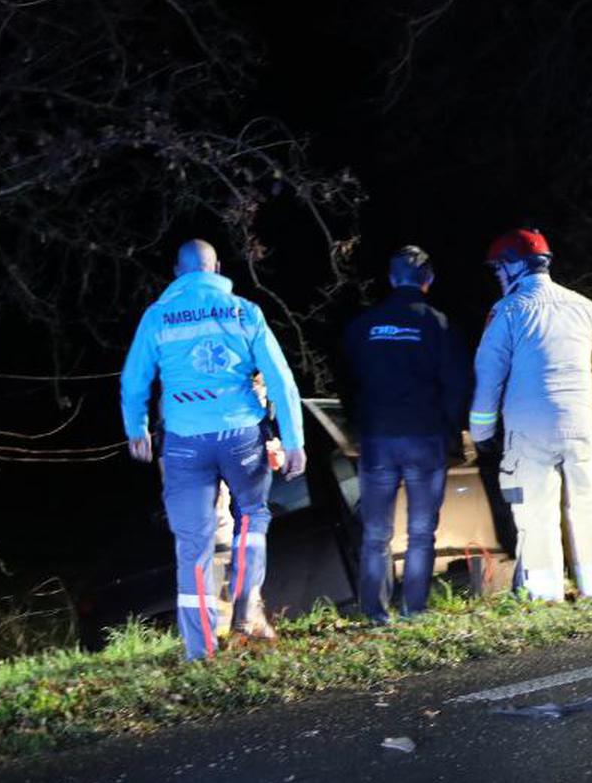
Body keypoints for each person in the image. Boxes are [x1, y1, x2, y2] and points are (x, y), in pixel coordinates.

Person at [120, 239, 308, 659]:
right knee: (253, 517)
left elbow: (134, 380)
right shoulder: (245, 311)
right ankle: (246, 610)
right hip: (241, 434)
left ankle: (199, 651)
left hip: (184, 441)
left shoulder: (158, 317)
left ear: (176, 271)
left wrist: (137, 428)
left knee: (193, 544)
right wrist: (293, 440)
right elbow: (280, 379)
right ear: (217, 267)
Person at [468, 229, 592, 602]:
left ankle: (544, 594)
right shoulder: (585, 307)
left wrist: (480, 430)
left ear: (513, 266)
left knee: (536, 515)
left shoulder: (507, 312)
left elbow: (488, 375)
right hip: (580, 425)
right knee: (586, 509)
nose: (497, 278)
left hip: (528, 432)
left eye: (498, 270)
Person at [342, 246, 471, 622]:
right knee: (420, 532)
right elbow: (457, 384)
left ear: (391, 277)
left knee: (376, 532)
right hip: (424, 438)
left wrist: (360, 423)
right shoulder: (439, 324)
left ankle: (374, 612)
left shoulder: (363, 326)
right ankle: (414, 609)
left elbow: (348, 381)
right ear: (428, 280)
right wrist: (450, 431)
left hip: (378, 439)